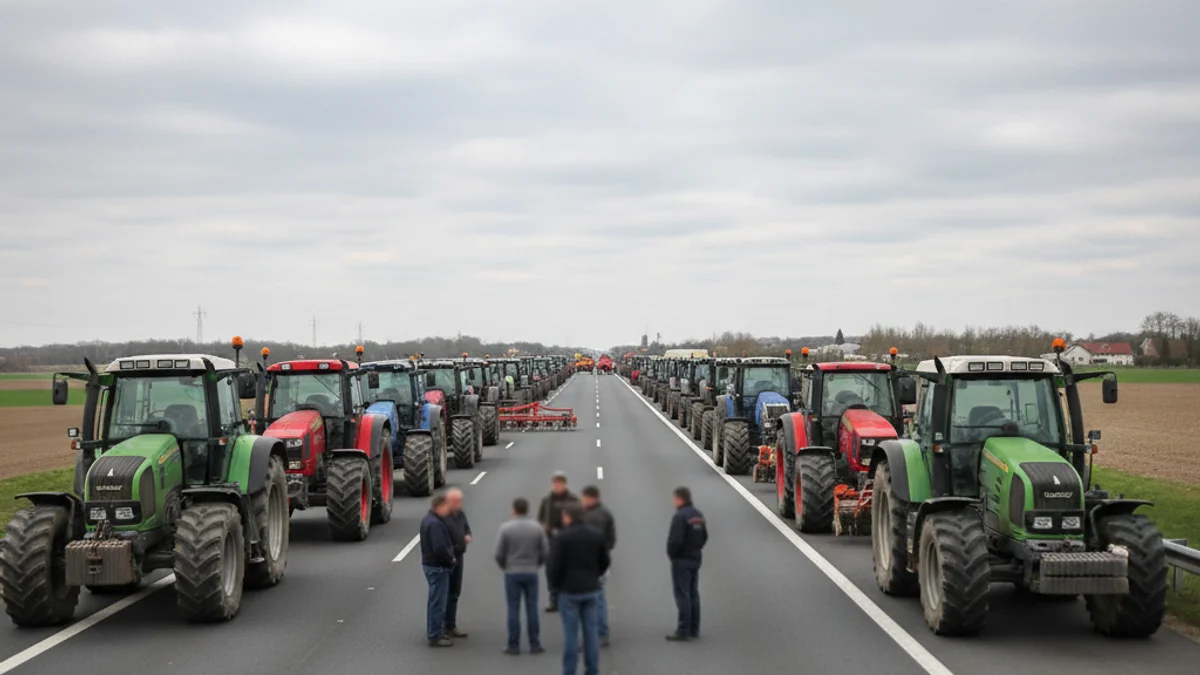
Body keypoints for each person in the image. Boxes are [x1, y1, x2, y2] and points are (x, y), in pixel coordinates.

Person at [548, 504, 609, 675]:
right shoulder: (596, 534)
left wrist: (555, 586)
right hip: (591, 588)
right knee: (591, 634)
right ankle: (592, 670)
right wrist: (595, 574)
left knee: (571, 636)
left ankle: (569, 671)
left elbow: (554, 565)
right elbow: (605, 560)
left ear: (568, 517)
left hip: (569, 591)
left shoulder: (562, 537)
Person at [495, 497, 549, 655]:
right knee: (532, 608)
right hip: (531, 571)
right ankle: (535, 643)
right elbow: (545, 551)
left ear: (514, 510)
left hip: (512, 572)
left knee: (513, 608)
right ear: (527, 509)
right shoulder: (537, 528)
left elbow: (499, 553)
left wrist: (506, 565)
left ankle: (513, 644)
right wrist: (536, 564)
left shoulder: (505, 528)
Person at [666, 486, 707, 641]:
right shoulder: (698, 515)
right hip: (695, 558)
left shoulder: (680, 516)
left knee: (682, 594)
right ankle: (694, 628)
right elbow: (704, 536)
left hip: (681, 560)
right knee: (693, 593)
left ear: (679, 499)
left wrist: (672, 555)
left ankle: (683, 629)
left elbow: (675, 540)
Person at [537, 471, 578, 612]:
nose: (557, 485)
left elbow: (580, 519)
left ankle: (568, 598)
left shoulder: (573, 500)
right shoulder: (547, 501)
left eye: (560, 482)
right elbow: (541, 518)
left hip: (569, 540)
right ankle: (554, 598)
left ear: (564, 484)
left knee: (568, 568)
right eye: (555, 482)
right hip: (552, 540)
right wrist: (546, 528)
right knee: (552, 569)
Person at [580, 485, 615, 647]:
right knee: (599, 597)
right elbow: (612, 539)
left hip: (589, 563)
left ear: (591, 498)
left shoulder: (590, 518)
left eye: (583, 498)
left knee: (591, 599)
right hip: (602, 561)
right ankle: (602, 633)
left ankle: (595, 635)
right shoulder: (606, 513)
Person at [420, 493, 457, 647]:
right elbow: (439, 547)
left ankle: (435, 630)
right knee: (438, 602)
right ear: (440, 506)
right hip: (438, 567)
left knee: (434, 600)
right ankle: (435, 635)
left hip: (430, 565)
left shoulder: (428, 520)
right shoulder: (435, 524)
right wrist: (451, 558)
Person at [443, 488, 471, 639]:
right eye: (455, 501)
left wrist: (467, 535)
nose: (458, 504)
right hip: (445, 559)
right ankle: (440, 626)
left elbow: (466, 528)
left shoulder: (460, 514)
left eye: (459, 501)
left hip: (459, 557)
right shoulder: (442, 516)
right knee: (443, 593)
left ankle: (450, 625)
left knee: (454, 592)